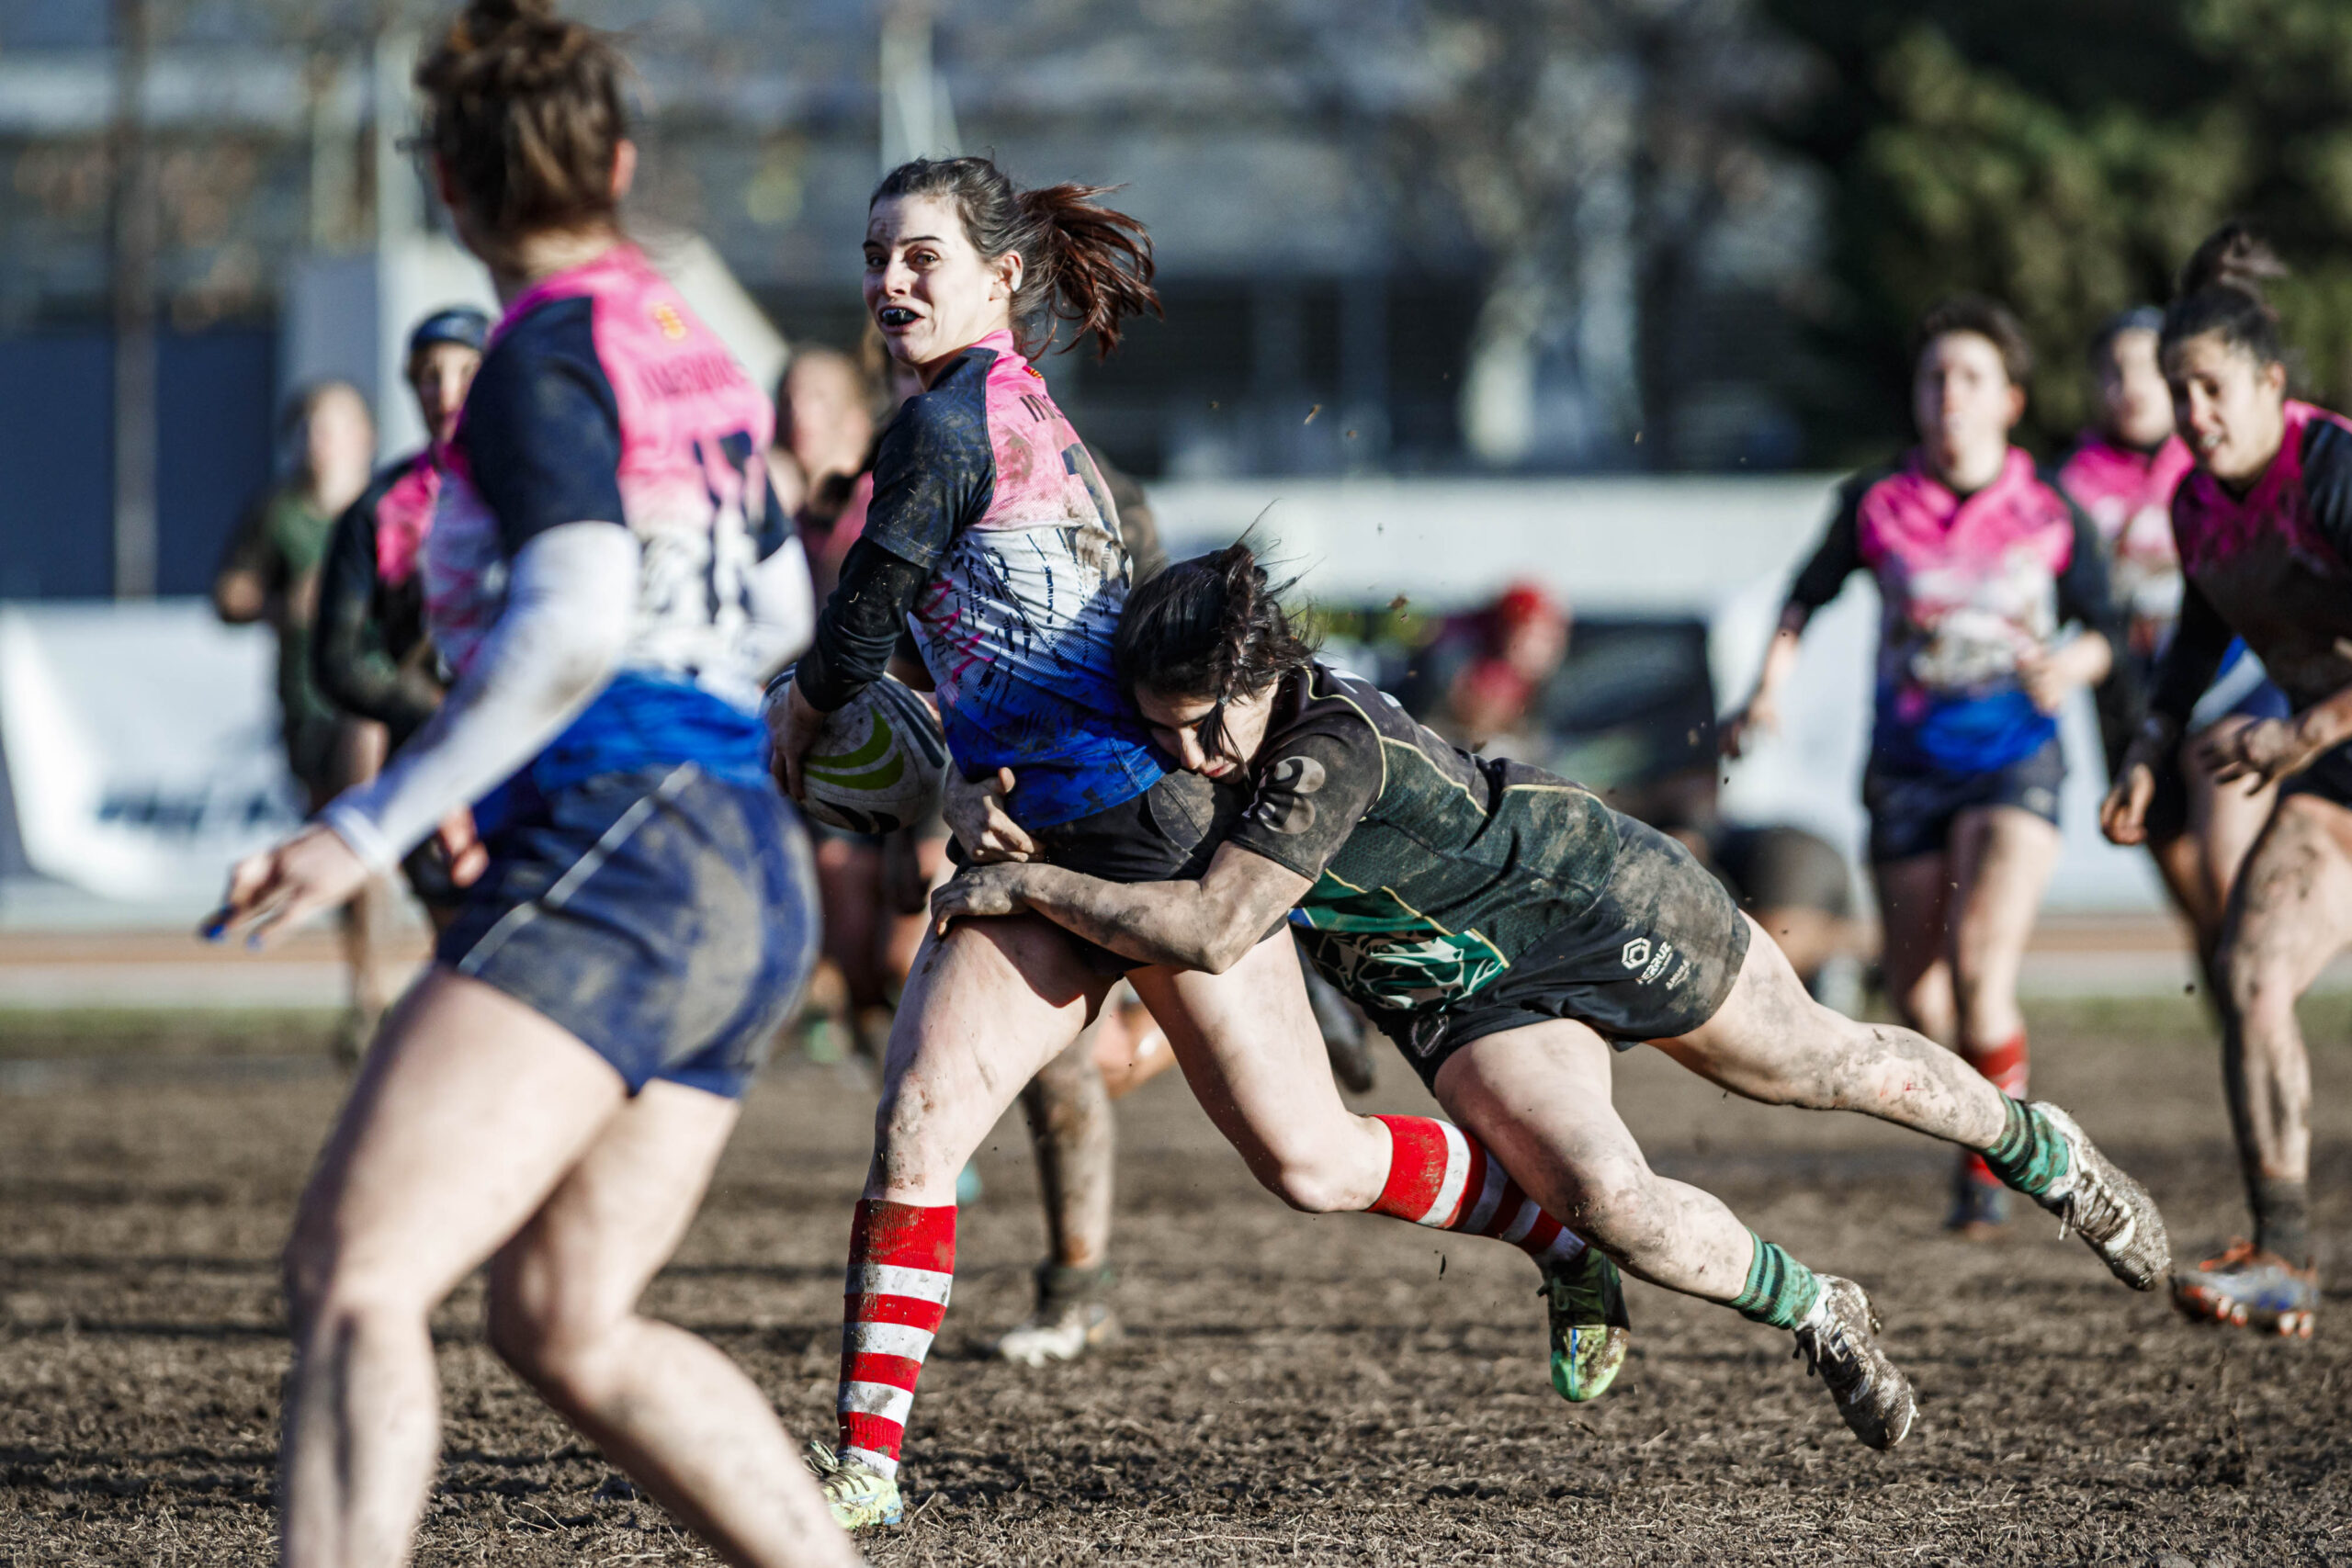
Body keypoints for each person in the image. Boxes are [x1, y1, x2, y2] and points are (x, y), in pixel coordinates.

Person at [768, 153, 1623, 1530]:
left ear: (1001, 278)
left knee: (1314, 1161)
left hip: (1162, 840)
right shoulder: (977, 418)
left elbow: (866, 620)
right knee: (918, 1124)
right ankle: (867, 1464)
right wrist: (959, 773)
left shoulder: (948, 427)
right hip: (1043, 836)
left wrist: (807, 715)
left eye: (922, 257)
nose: (890, 282)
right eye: (876, 256)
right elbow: (991, 636)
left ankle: (1560, 1235)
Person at [933, 541, 2171, 1453]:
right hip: (1474, 1002)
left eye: (1207, 727)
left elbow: (1212, 929)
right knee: (1598, 1192)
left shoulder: (1325, 743)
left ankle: (2032, 1142)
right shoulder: (1200, 745)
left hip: (1594, 897)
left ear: (1264, 673)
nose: (1191, 758)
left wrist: (1023, 881)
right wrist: (959, 791)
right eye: (1168, 734)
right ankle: (1820, 1306)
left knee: (1821, 1065)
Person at [206, 4, 854, 1562]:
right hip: (747, 865)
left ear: (446, 183)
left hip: (621, 834)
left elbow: (570, 613)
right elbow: (779, 616)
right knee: (567, 1319)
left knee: (356, 1275)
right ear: (619, 161)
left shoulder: (536, 354)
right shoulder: (693, 345)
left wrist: (365, 827)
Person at [1723, 296, 2123, 1236]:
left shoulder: (2048, 508)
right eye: (1934, 377)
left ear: (2010, 400)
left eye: (1970, 378)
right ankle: (1993, 1123)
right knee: (1920, 995)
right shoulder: (1875, 502)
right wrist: (1763, 690)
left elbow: (2107, 630)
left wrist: (2070, 663)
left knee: (1983, 971)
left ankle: (2000, 1165)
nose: (1949, 396)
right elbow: (1800, 600)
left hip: (2015, 762)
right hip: (1905, 770)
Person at [2102, 224, 2352, 1338]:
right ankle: (2286, 1259)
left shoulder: (2333, 472)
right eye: (2175, 391)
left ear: (2269, 383)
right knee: (2249, 975)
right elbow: (2197, 640)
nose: (2189, 414)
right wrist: (2148, 750)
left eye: (2208, 390)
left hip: (2321, 746)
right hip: (2335, 769)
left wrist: (2296, 736)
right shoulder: (2195, 506)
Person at [2061, 309, 2282, 997]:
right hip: (2133, 708)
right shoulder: (2068, 485)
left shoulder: (2215, 459)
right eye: (2112, 370)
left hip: (2228, 688)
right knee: (2200, 908)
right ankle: (2240, 1029)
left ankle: (2261, 1006)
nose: (2130, 385)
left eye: (2146, 368)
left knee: (2227, 874)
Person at [216, 378, 397, 1052]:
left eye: (333, 425)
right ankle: (366, 990)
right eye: (309, 427)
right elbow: (228, 595)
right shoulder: (280, 513)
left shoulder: (390, 508)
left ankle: (402, 988)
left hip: (373, 696)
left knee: (365, 827)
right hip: (305, 699)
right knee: (336, 840)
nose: (318, 441)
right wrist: (277, 603)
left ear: (364, 438)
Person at [311, 305, 491, 932]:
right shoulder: (377, 510)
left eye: (467, 372)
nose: (447, 393)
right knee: (461, 945)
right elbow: (337, 659)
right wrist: (430, 711)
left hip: (527, 750)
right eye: (429, 376)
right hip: (428, 758)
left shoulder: (540, 493)